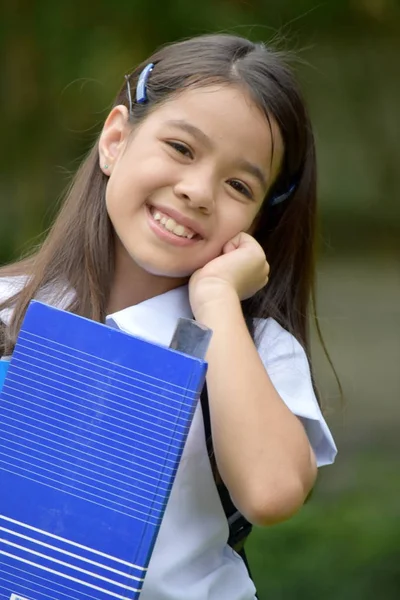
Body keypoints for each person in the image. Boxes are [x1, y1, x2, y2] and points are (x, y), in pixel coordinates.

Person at [0, 33, 337, 599]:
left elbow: (272, 492)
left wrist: (217, 305)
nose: (198, 191)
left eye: (238, 184)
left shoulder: (251, 346)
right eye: (182, 148)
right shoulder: (9, 306)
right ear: (115, 140)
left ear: (256, 220)